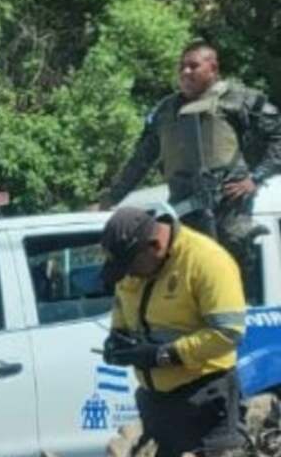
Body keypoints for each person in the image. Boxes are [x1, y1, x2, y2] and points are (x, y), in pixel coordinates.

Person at [95, 40, 281, 296]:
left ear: (213, 68)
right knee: (182, 272)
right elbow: (141, 160)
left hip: (228, 207)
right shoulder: (165, 111)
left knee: (232, 273)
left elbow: (278, 139)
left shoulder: (240, 100)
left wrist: (255, 178)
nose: (185, 72)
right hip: (183, 209)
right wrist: (112, 198)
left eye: (193, 66)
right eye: (182, 67)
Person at [99, 206, 247, 457]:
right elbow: (122, 305)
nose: (129, 274)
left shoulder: (206, 261)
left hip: (205, 401)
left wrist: (163, 355)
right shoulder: (134, 264)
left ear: (155, 246)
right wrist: (117, 340)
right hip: (157, 406)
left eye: (131, 266)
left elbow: (228, 332)